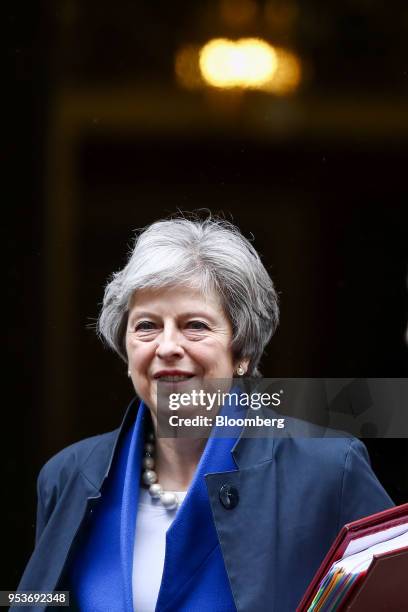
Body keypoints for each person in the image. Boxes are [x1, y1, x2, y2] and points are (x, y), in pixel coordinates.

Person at [16, 214, 394, 612]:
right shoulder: (66, 476)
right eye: (146, 326)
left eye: (194, 325)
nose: (167, 346)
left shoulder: (330, 469)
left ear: (243, 351)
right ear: (125, 351)